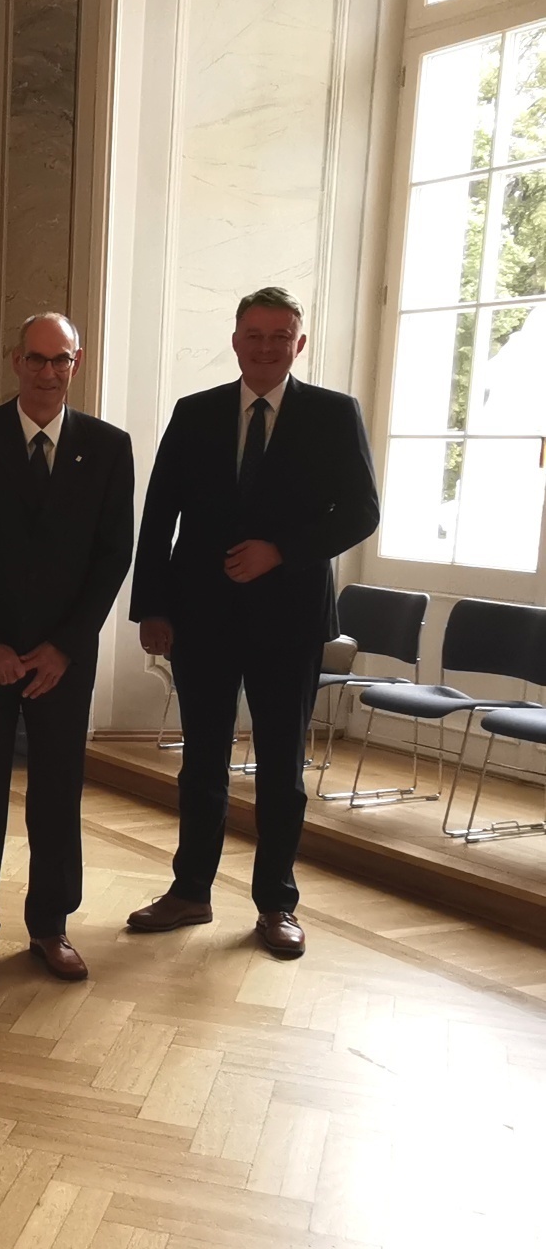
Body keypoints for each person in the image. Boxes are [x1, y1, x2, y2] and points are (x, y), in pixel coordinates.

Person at [129, 288, 379, 957]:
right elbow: (158, 515)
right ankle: (190, 890)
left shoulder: (334, 414)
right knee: (201, 764)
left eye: (280, 336)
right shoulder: (195, 413)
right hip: (199, 616)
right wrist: (152, 606)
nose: (267, 347)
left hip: (289, 619)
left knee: (281, 769)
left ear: (299, 343)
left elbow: (361, 511)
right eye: (255, 335)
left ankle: (276, 904)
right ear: (236, 340)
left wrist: (283, 550)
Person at [0, 312, 134, 984]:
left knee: (57, 793)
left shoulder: (108, 447)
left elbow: (113, 557)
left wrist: (64, 648)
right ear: (16, 360)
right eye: (38, 359)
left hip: (62, 661)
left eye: (61, 360)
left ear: (78, 362)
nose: (49, 372)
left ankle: (51, 925)